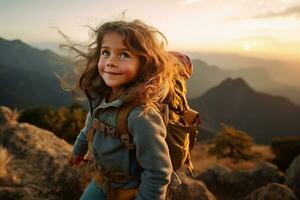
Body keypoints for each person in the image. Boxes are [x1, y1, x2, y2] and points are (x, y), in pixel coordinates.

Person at [67, 19, 182, 200]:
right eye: (106, 52)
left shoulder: (141, 116)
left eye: (124, 55)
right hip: (103, 181)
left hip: (131, 190)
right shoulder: (101, 97)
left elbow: (158, 172)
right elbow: (90, 125)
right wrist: (78, 149)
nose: (111, 62)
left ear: (143, 63)